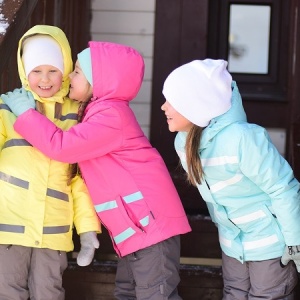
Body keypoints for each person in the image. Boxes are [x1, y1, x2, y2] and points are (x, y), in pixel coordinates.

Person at [1, 41, 192, 299]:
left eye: (77, 72)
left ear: (98, 81)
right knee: (126, 293)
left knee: (154, 295)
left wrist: (26, 114)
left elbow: (62, 147)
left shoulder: (111, 116)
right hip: (136, 228)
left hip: (150, 226)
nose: (69, 76)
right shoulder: (97, 113)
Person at [159, 59, 300, 299]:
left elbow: (283, 189)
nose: (163, 107)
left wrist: (294, 242)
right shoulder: (183, 142)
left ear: (196, 106)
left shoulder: (242, 139)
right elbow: (212, 194)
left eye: (171, 101)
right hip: (233, 244)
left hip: (271, 244)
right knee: (234, 294)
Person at [0, 25, 100, 300]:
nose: (45, 79)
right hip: (8, 230)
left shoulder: (76, 115)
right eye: (36, 71)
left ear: (66, 69)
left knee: (49, 293)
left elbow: (79, 181)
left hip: (53, 234)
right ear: (24, 71)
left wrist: (88, 230)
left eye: (53, 70)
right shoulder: (7, 109)